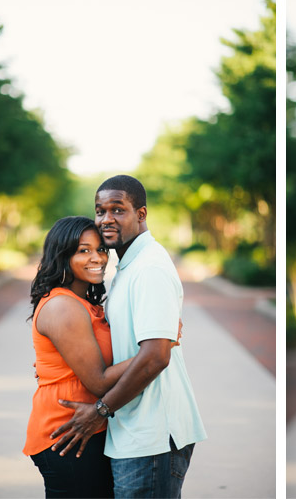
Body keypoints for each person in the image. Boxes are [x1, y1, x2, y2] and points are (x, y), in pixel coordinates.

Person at [50, 175, 207, 499]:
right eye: (100, 210)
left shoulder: (149, 268)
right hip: (134, 431)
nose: (106, 218)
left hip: (151, 435)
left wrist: (101, 411)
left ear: (141, 214)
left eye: (117, 209)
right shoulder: (127, 267)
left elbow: (156, 356)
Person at [24, 216, 133, 498]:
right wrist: (156, 350)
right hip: (69, 435)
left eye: (100, 249)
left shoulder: (84, 304)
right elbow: (98, 382)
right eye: (83, 250)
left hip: (87, 429)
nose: (96, 258)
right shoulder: (64, 306)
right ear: (62, 256)